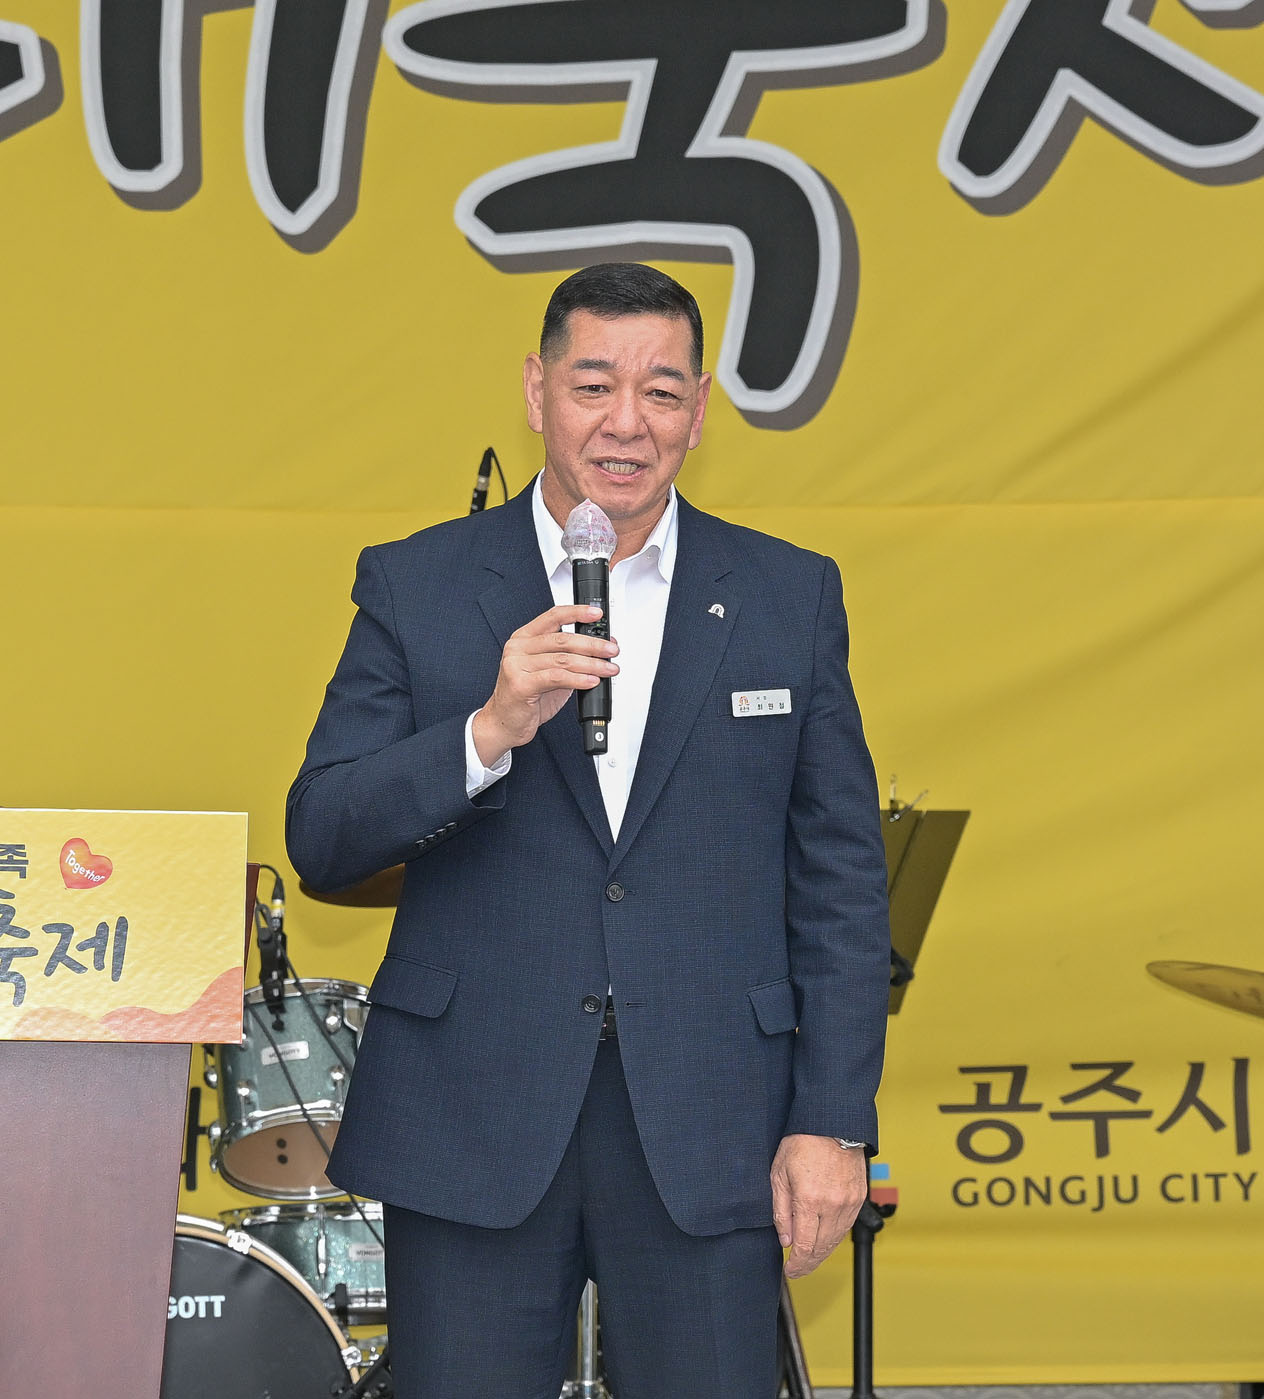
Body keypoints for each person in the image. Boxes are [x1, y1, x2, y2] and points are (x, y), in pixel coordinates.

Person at [285, 263, 889, 1398]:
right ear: (536, 391)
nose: (627, 423)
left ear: (700, 411)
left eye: (662, 392)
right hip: (473, 1108)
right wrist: (486, 730)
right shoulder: (420, 584)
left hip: (714, 1117)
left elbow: (842, 879)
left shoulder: (786, 593)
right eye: (594, 385)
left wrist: (832, 1120)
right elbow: (323, 833)